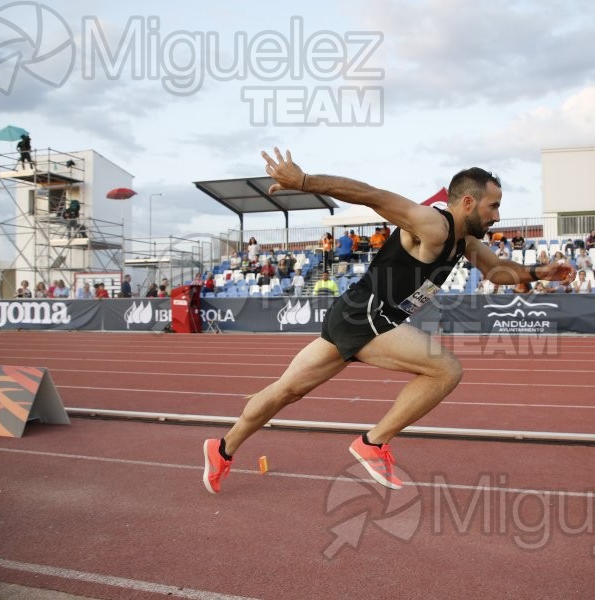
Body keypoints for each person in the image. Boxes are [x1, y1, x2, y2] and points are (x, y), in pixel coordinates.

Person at [201, 147, 574, 494]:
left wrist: (539, 272)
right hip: (366, 314)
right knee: (445, 370)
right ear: (467, 202)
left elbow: (496, 272)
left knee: (287, 390)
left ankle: (222, 449)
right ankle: (372, 443)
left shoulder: (466, 243)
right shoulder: (432, 225)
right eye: (493, 206)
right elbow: (373, 195)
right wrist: (303, 182)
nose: (497, 216)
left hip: (354, 316)